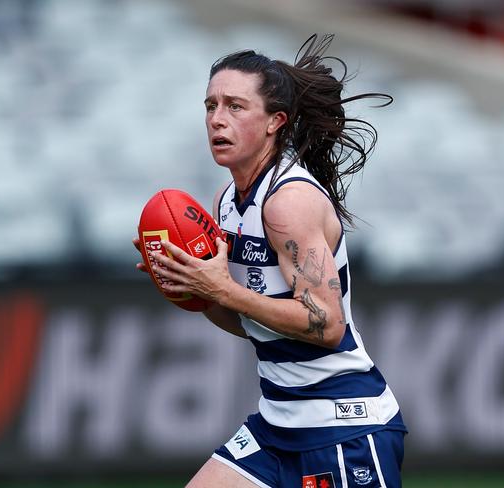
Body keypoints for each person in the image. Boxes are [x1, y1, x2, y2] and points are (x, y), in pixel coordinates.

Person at [134, 34, 407, 488]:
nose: (217, 119)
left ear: (274, 122)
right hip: (278, 425)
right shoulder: (227, 202)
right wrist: (193, 288)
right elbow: (248, 322)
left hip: (341, 426)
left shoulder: (287, 202)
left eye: (235, 107)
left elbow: (326, 325)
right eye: (210, 106)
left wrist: (221, 289)